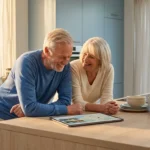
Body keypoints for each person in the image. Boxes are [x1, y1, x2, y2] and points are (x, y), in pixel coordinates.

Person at [0, 28, 83, 120]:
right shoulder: (26, 62)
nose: (66, 62)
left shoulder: (65, 66)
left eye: (69, 57)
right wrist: (66, 110)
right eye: (62, 57)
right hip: (3, 115)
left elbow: (65, 101)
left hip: (31, 118)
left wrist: (34, 108)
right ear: (47, 51)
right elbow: (30, 109)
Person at [70, 37, 119, 115]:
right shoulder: (74, 67)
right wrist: (101, 108)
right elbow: (77, 101)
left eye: (91, 57)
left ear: (101, 60)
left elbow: (107, 98)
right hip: (71, 113)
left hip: (90, 112)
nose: (85, 59)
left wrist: (110, 107)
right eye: (84, 54)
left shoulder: (108, 69)